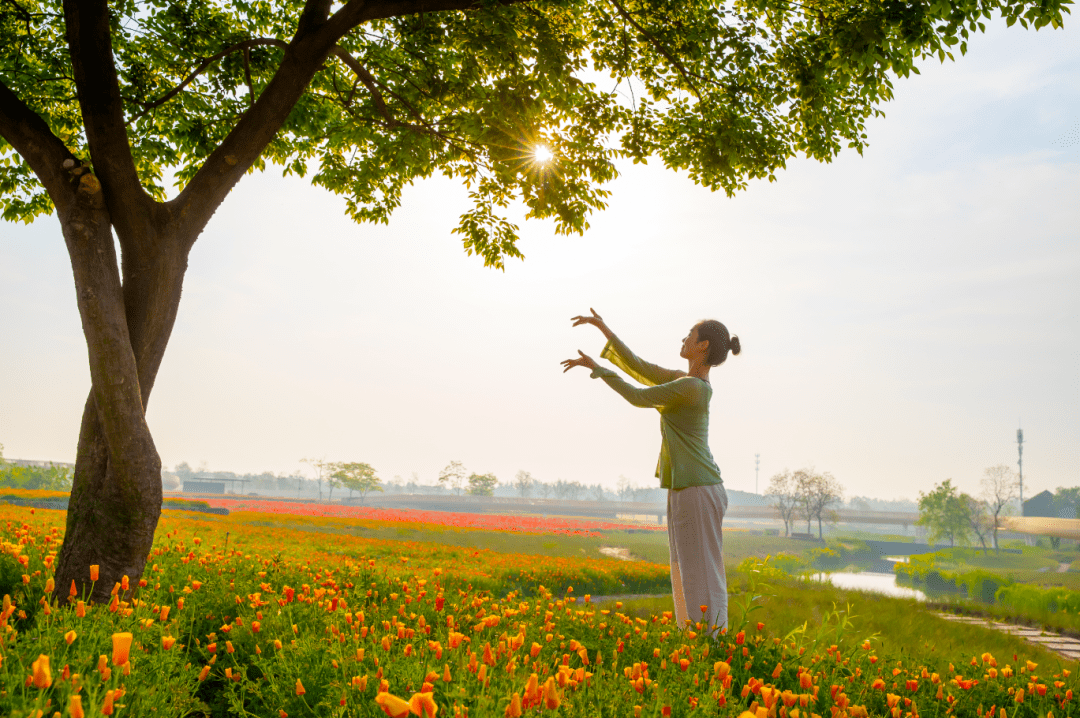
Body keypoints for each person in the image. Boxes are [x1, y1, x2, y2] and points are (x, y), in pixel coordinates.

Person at [561, 308, 740, 634]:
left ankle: (713, 644)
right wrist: (604, 329)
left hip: (699, 489)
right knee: (686, 570)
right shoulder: (682, 381)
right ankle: (696, 641)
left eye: (691, 334)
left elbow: (638, 395)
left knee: (703, 573)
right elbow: (640, 368)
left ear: (702, 347)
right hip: (687, 488)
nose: (684, 338)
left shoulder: (692, 388)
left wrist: (600, 370)